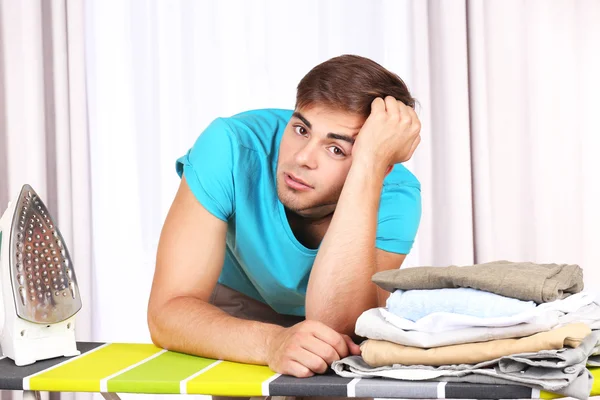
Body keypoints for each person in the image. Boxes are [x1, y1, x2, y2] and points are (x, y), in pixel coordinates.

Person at [147, 54, 422, 381]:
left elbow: (339, 328)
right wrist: (271, 342)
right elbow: (167, 313)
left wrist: (369, 168)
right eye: (301, 129)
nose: (303, 158)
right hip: (235, 311)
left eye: (336, 149)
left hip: (333, 315)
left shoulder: (396, 193)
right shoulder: (230, 147)